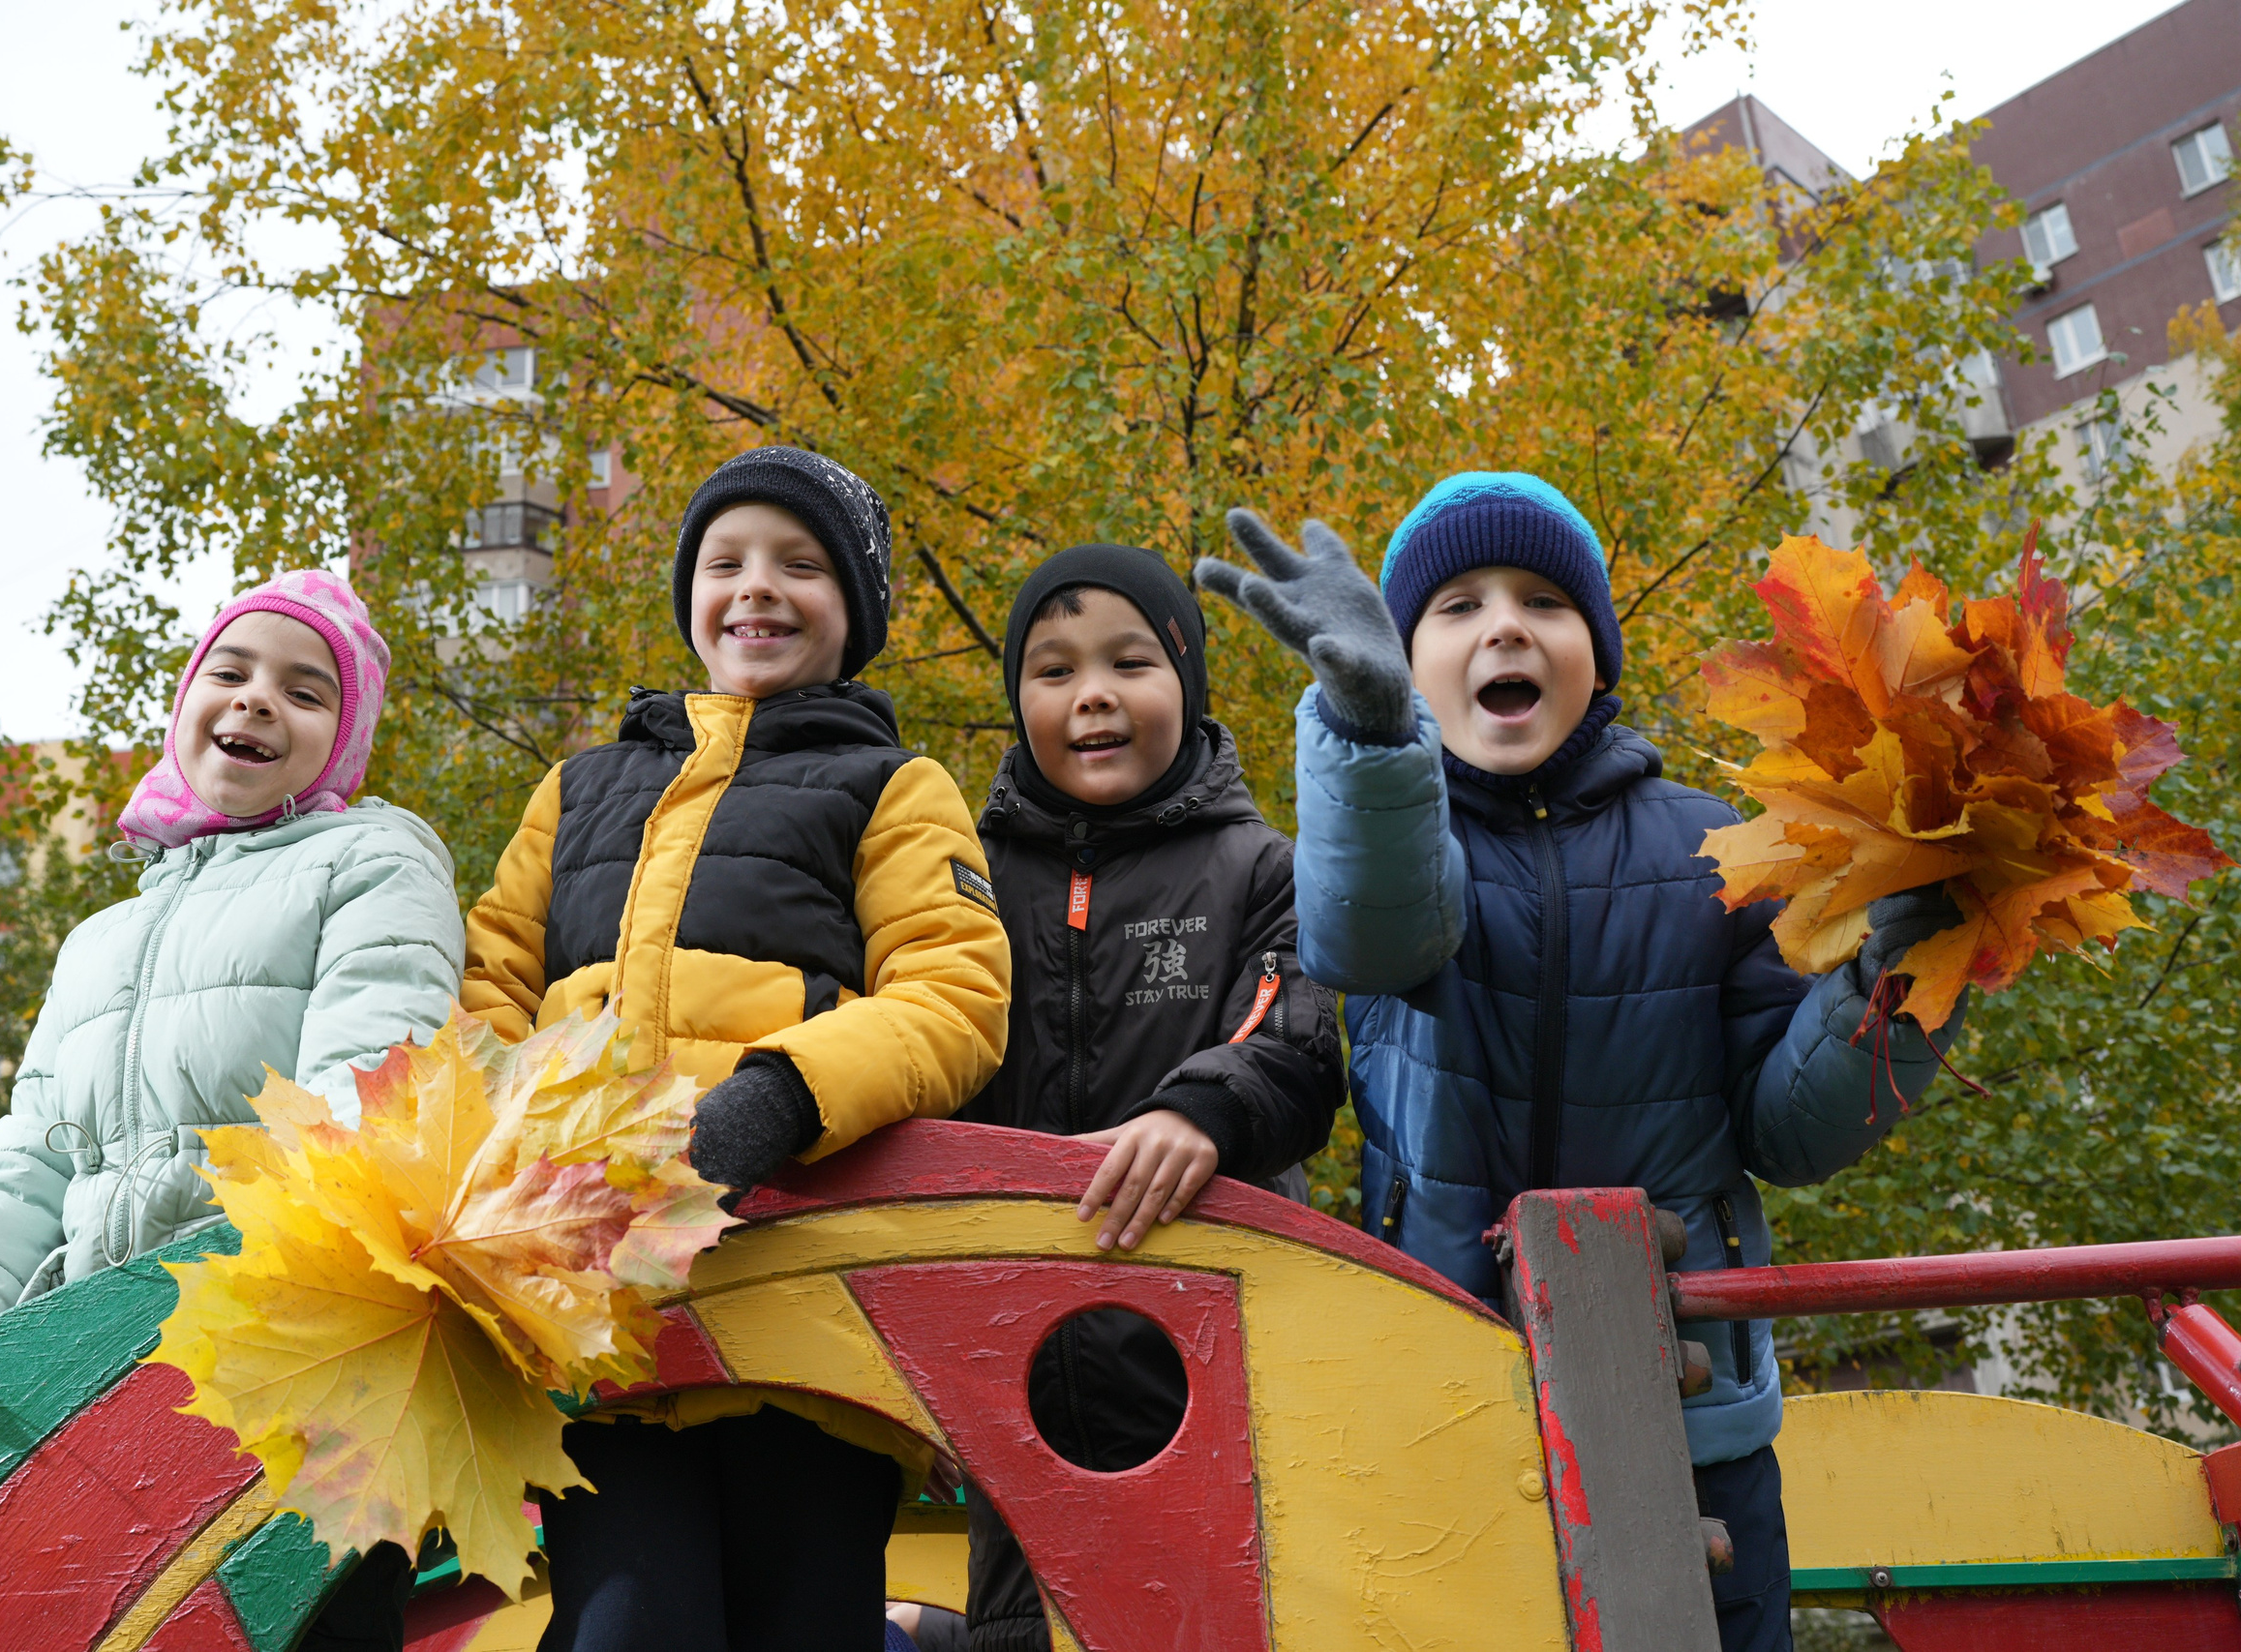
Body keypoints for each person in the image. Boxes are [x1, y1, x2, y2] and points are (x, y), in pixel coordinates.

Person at [1200, 474, 1966, 1652]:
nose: (1503, 624)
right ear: (1405, 661)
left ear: (1595, 657)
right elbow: (1371, 929)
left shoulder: (1718, 848)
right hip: (1449, 1387)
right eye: (1454, 606)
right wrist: (1366, 733)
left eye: (1544, 602)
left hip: (1683, 1404)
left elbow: (1792, 1132)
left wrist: (1900, 982)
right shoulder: (1409, 836)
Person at [0, 568, 466, 1651]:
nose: (258, 698)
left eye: (307, 690)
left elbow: (369, 1086)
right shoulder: (101, 940)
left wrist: (274, 1277)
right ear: (183, 706)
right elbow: (29, 1158)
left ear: (345, 740)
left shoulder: (371, 859)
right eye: (229, 671)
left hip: (296, 1359)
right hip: (102, 1369)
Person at [460, 446, 1013, 1652]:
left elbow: (954, 994)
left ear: (853, 614)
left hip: (805, 1307)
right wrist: (512, 1137)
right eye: (726, 563)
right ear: (691, 598)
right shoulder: (583, 789)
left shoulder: (892, 785)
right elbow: (490, 983)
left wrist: (778, 1098)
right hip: (603, 1308)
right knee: (629, 1624)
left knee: (801, 1623)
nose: (757, 588)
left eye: (800, 566)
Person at [952, 543, 1342, 1652]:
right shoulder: (959, 874)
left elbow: (1295, 1038)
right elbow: (916, 1064)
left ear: (1187, 684)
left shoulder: (1259, 867)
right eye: (1053, 670)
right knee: (1021, 1626)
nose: (1093, 697)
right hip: (1005, 1374)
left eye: (1130, 663)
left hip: (1208, 1363)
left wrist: (1198, 1108)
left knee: (1211, 1617)